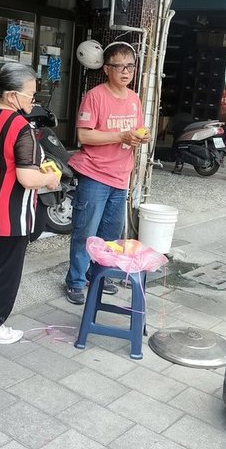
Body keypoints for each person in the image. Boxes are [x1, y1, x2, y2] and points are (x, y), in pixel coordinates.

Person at [0, 63, 60, 344]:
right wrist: (51, 180)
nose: (34, 100)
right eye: (30, 95)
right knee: (7, 267)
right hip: (9, 208)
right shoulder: (21, 127)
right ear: (11, 96)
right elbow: (28, 178)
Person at [65, 41, 149, 305]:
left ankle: (99, 276)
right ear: (106, 68)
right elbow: (83, 135)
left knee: (110, 235)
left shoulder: (134, 99)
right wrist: (120, 135)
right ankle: (76, 282)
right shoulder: (95, 96)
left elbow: (133, 132)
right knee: (85, 233)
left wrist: (138, 138)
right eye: (119, 66)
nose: (126, 72)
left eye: (130, 66)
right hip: (94, 174)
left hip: (121, 175)